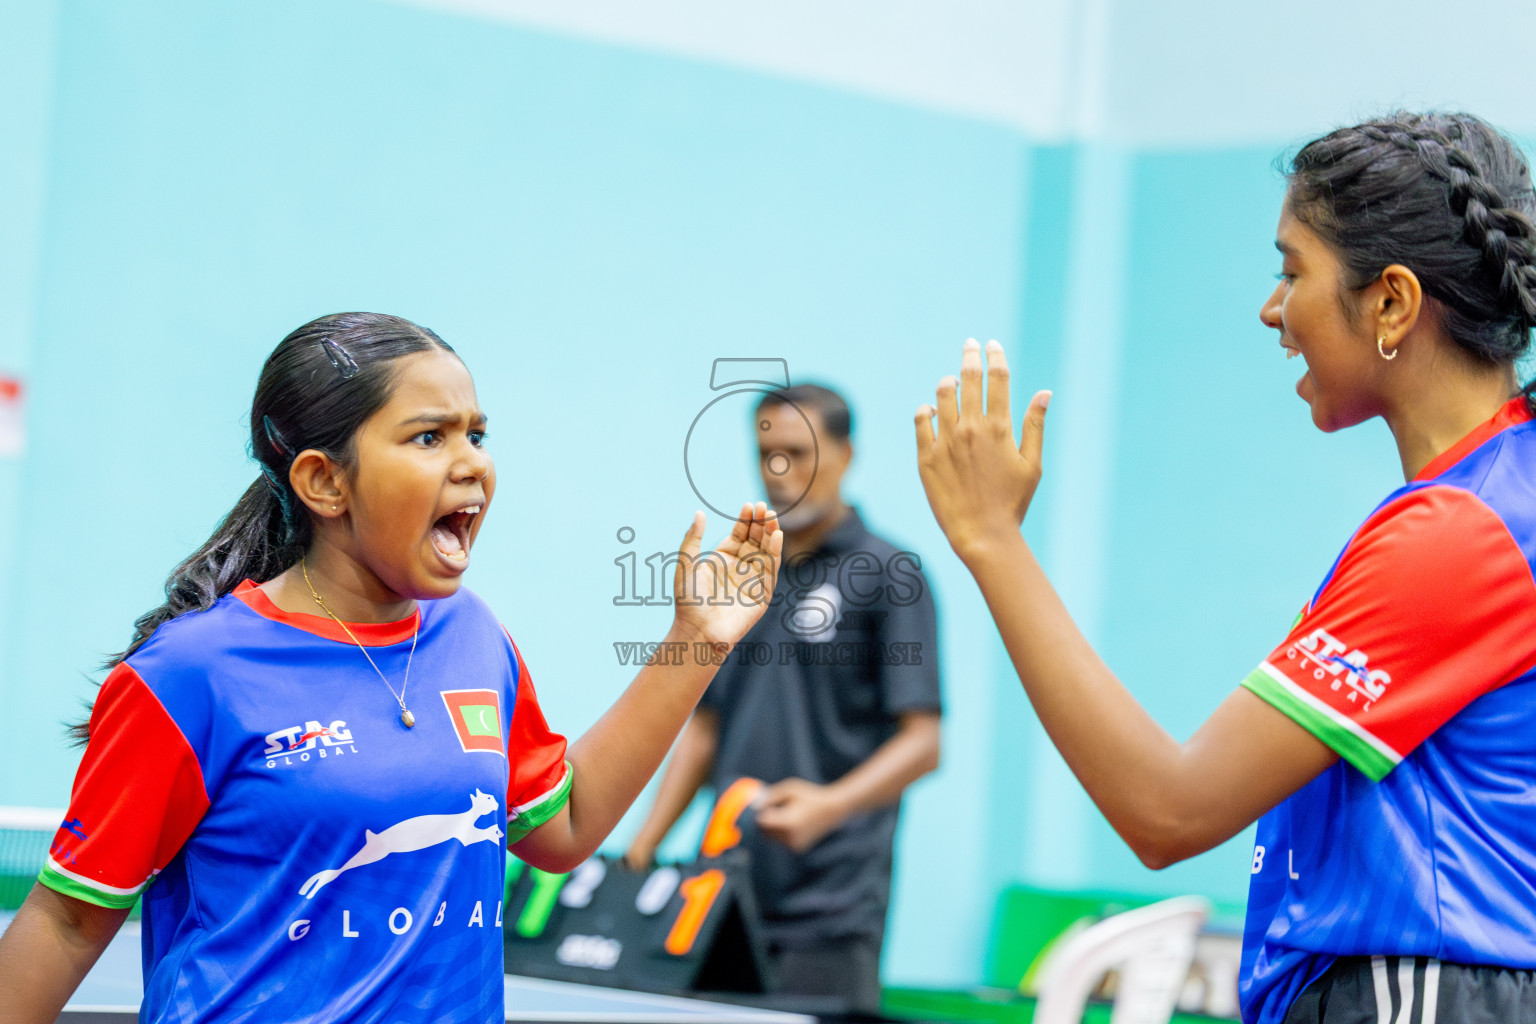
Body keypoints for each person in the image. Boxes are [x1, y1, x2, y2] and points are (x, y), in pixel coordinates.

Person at [914, 111, 1536, 1024]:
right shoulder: (1499, 492)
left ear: (1393, 303)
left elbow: (1168, 811)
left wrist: (992, 541)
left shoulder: (1457, 533)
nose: (1271, 308)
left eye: (1292, 271)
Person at [0, 313, 782, 1023]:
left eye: (478, 432)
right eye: (429, 437)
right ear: (324, 481)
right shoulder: (193, 674)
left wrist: (696, 643)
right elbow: (68, 922)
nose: (473, 462)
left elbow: (564, 829)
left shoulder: (473, 635)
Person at [624, 384, 941, 1014]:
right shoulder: (745, 575)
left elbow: (924, 743)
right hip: (721, 891)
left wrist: (829, 806)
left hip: (831, 901)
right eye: (767, 453)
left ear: (845, 455)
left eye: (799, 453)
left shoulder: (889, 574)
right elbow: (705, 728)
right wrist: (645, 844)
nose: (781, 472)